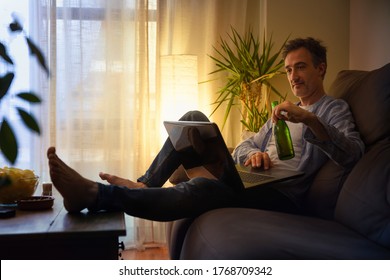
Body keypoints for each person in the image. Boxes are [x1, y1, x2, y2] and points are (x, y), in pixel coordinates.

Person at [47, 37, 364, 221]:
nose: (293, 76)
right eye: (289, 69)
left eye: (301, 67)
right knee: (193, 117)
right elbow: (244, 145)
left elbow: (352, 153)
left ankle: (96, 194)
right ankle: (146, 183)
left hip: (282, 195)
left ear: (321, 68)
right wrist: (254, 155)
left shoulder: (333, 109)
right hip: (251, 178)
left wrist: (308, 118)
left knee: (201, 188)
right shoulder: (279, 112)